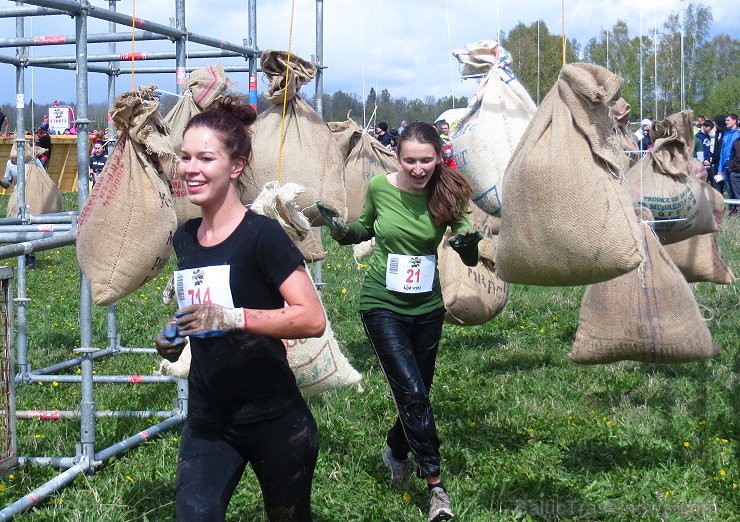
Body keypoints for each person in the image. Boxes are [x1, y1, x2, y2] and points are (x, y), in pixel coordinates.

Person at [154, 96, 326, 521]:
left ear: (235, 167)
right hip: (208, 421)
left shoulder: (262, 236)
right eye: (185, 157)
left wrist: (233, 318)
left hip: (276, 421)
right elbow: (202, 311)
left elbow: (311, 316)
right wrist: (173, 335)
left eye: (205, 158)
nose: (190, 168)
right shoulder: (186, 237)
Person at [318, 121, 482, 522]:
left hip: (427, 307)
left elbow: (471, 257)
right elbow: (363, 229)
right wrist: (341, 230)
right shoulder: (380, 188)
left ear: (438, 158)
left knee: (419, 391)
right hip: (382, 303)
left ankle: (395, 448)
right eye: (410, 160)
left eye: (426, 161)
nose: (418, 169)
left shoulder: (449, 191)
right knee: (411, 393)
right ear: (399, 157)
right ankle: (436, 487)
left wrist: (469, 244)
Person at [718, 113, 739, 213]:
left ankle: (737, 208)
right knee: (729, 190)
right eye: (725, 120)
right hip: (725, 167)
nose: (725, 122)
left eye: (728, 120)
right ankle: (733, 208)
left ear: (734, 121)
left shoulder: (738, 134)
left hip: (735, 167)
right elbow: (722, 152)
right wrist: (719, 169)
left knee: (736, 190)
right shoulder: (726, 134)